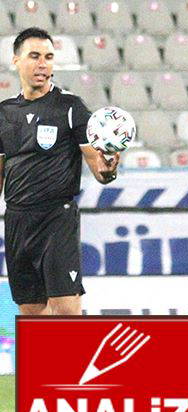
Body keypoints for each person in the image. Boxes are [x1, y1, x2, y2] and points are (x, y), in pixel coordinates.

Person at [0, 27, 119, 316]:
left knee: (66, 309)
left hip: (56, 218)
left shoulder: (70, 107)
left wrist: (107, 170)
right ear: (16, 60)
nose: (43, 64)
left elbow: (99, 167)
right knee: (31, 312)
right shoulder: (4, 113)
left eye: (49, 57)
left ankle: (70, 349)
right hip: (17, 220)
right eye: (35, 56)